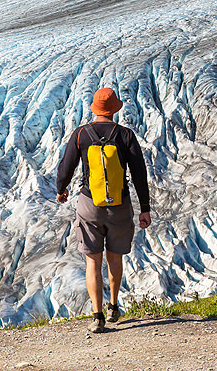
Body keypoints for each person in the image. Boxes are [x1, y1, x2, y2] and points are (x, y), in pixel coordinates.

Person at [56, 87, 151, 334]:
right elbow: (139, 174)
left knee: (92, 261)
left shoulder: (81, 135)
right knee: (114, 258)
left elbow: (66, 166)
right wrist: (145, 208)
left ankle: (97, 316)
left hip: (90, 205)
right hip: (119, 205)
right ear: (114, 110)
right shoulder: (125, 135)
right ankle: (113, 306)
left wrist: (61, 189)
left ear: (95, 109)